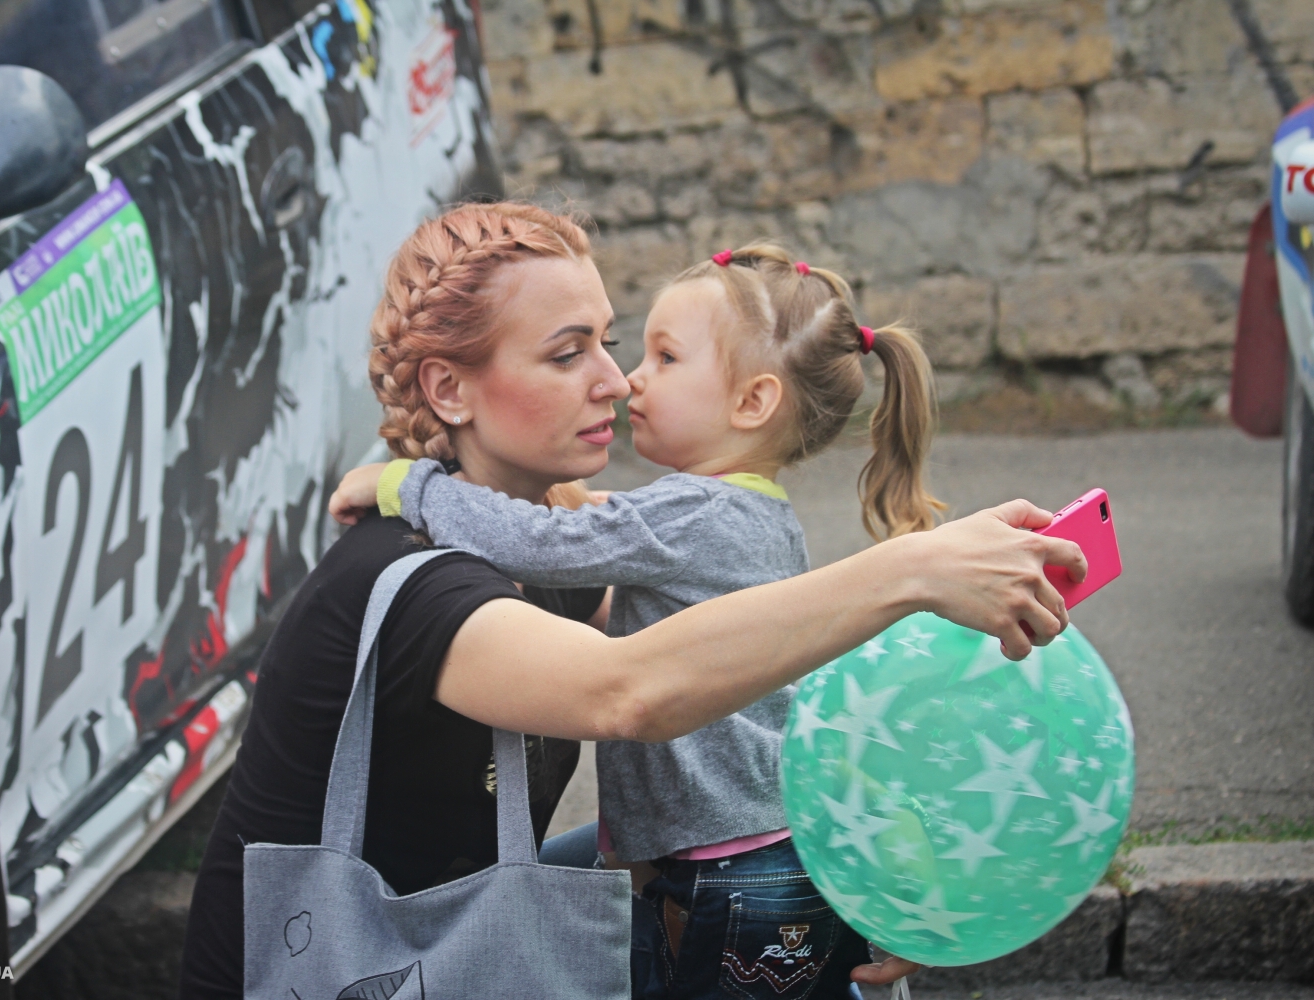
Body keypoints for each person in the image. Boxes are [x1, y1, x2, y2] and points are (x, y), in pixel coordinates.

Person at [177, 203, 1086, 1000]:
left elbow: (735, 662)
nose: (616, 382)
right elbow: (630, 691)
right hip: (348, 965)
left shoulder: (558, 537)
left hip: (455, 932)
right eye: (567, 353)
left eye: (609, 344)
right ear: (448, 389)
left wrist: (856, 864)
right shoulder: (416, 580)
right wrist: (912, 569)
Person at [326, 243, 942, 999]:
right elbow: (616, 540)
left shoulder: (689, 512)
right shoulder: (755, 514)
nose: (630, 379)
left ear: (752, 403)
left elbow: (542, 543)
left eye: (666, 357)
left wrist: (409, 486)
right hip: (774, 847)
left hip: (724, 868)